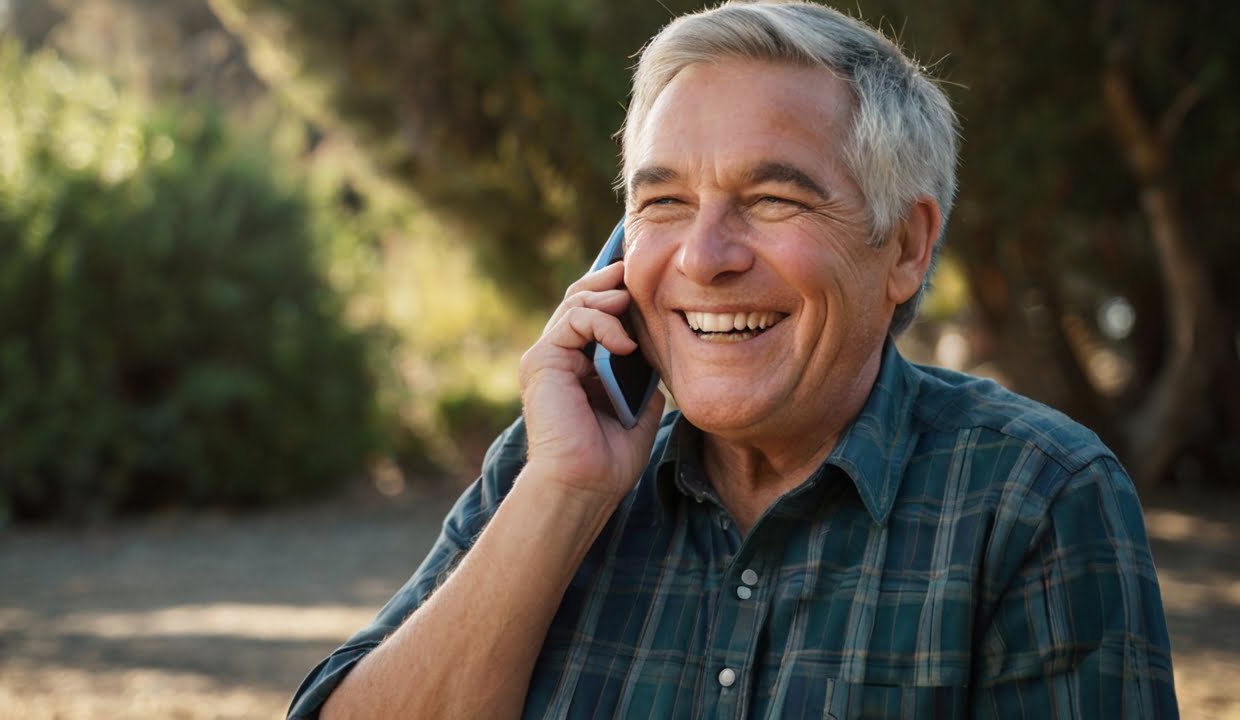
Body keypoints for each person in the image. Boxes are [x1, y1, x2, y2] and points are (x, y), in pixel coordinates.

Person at [289, 2, 1178, 717]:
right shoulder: (551, 463)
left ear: (905, 247)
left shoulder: (1037, 500)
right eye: (664, 202)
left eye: (772, 198)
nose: (703, 256)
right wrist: (562, 495)